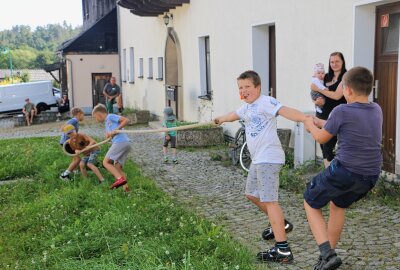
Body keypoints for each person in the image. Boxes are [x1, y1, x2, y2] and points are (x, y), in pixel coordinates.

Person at [214, 70, 307, 264]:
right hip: (258, 159)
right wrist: (221, 118)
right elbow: (233, 114)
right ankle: (281, 223)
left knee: (270, 200)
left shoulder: (266, 101)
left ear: (258, 87)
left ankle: (282, 249)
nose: (244, 90)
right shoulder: (247, 107)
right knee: (251, 194)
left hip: (269, 157)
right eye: (240, 87)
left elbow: (285, 110)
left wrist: (305, 119)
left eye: (247, 86)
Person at [304, 67, 382, 270]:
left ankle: (326, 254)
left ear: (346, 90)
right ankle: (327, 259)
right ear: (369, 89)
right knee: (337, 205)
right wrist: (319, 122)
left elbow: (322, 137)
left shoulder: (341, 110)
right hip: (370, 175)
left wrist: (309, 124)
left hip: (345, 170)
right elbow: (337, 125)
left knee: (310, 201)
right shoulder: (376, 109)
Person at [310, 52, 347, 168]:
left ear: (342, 62)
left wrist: (319, 90)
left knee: (328, 146)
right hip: (321, 115)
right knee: (322, 145)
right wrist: (315, 101)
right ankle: (329, 174)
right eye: (332, 62)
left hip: (335, 116)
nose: (334, 64)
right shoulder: (325, 76)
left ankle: (330, 175)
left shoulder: (345, 77)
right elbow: (314, 91)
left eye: (337, 61)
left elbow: (337, 96)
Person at [92, 104, 131, 192]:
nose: (96, 119)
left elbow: (126, 120)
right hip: (125, 143)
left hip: (120, 142)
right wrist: (109, 134)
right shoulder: (107, 122)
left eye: (95, 117)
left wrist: (115, 130)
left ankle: (119, 179)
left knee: (105, 162)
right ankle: (126, 188)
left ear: (99, 114)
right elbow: (110, 135)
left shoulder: (110, 116)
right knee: (117, 166)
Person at [59, 107, 85, 180]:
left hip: (68, 142)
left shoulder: (74, 121)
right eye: (83, 115)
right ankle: (64, 175)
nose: (83, 117)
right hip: (66, 143)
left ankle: (75, 171)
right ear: (79, 114)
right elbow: (64, 129)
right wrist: (72, 138)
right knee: (77, 159)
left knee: (75, 158)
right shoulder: (73, 121)